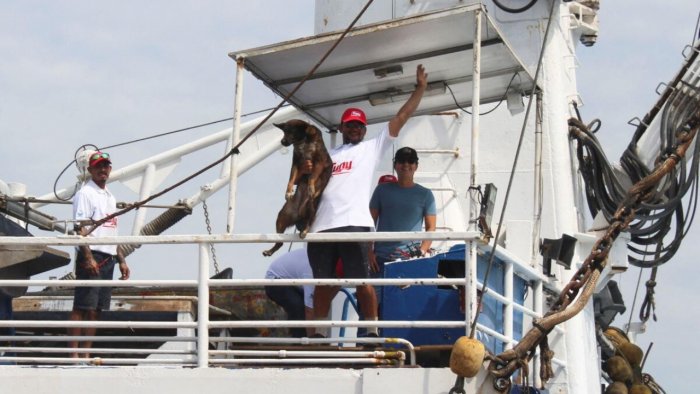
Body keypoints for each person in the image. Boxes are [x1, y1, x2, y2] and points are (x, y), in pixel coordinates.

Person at [307, 64, 428, 338]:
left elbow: (402, 116)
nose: (354, 129)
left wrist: (419, 89)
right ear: (342, 127)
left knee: (363, 281)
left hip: (354, 225)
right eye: (350, 125)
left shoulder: (372, 148)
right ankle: (320, 337)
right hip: (322, 228)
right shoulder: (328, 155)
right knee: (322, 284)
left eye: (359, 125)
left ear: (364, 129)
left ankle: (371, 331)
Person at [68, 151, 130, 359]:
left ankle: (86, 353)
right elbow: (80, 229)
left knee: (97, 308)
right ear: (90, 170)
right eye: (98, 167)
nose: (103, 170)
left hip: (108, 255)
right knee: (82, 305)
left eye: (106, 166)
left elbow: (112, 231)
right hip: (92, 253)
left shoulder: (110, 196)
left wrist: (121, 259)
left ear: (109, 169)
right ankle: (74, 354)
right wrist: (88, 257)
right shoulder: (86, 193)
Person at [369, 146, 437, 277]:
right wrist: (368, 252)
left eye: (411, 161)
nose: (406, 164)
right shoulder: (381, 190)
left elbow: (431, 227)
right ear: (395, 165)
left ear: (416, 166)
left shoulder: (426, 194)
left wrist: (421, 252)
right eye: (402, 161)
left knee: (408, 298)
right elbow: (369, 222)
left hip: (410, 259)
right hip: (380, 259)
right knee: (376, 298)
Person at [264, 248, 315, 338]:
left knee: (308, 304)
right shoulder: (310, 271)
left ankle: (309, 340)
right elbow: (309, 309)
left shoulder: (318, 257)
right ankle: (300, 343)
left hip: (293, 281)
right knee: (298, 306)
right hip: (274, 279)